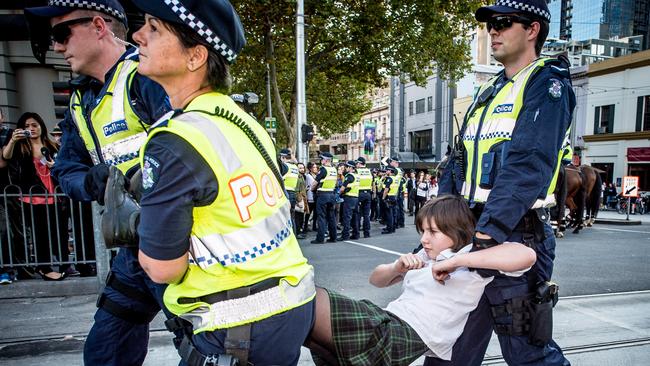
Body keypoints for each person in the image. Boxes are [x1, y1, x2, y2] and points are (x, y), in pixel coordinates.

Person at [130, 1, 316, 364]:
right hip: (287, 309)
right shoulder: (244, 123)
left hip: (237, 326)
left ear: (195, 56)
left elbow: (162, 268)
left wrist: (138, 226)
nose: (137, 35)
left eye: (154, 28)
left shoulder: (175, 138)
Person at [25, 1, 176, 364]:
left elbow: (185, 146)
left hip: (176, 243)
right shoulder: (81, 100)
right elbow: (65, 170)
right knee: (105, 351)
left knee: (205, 347)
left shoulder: (146, 75)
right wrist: (91, 183)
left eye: (62, 34)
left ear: (98, 26)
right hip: (132, 250)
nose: (58, 46)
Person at [433, 1, 574, 365]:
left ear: (532, 30)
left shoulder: (547, 83)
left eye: (503, 22)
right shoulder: (489, 91)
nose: (492, 30)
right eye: (490, 24)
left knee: (529, 354)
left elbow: (528, 164)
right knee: (448, 348)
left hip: (514, 234)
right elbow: (457, 161)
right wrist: (440, 225)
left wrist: (486, 235)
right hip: (470, 232)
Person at [306, 195, 536, 365]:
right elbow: (376, 280)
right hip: (388, 320)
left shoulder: (471, 258)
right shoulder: (424, 254)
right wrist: (397, 266)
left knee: (310, 302)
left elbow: (526, 255)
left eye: (433, 232)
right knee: (314, 333)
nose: (424, 239)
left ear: (456, 230)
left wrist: (455, 262)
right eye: (422, 231)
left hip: (411, 332)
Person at [0, 112, 68, 281]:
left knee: (58, 231)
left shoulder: (51, 145)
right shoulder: (21, 146)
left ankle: (64, 264)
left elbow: (63, 163)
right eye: (27, 126)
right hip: (32, 195)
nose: (31, 129)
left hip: (54, 193)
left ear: (41, 126)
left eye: (34, 125)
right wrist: (14, 140)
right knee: (39, 233)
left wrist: (56, 165)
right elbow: (5, 157)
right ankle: (44, 267)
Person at [311, 152, 338, 244]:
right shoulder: (334, 169)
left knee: (321, 217)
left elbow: (315, 182)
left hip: (323, 195)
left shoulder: (323, 169)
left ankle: (320, 238)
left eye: (322, 159)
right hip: (332, 195)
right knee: (331, 217)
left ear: (326, 160)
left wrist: (311, 189)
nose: (321, 161)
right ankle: (333, 237)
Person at [280, 148, 300, 235]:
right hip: (292, 194)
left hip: (285, 194)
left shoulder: (285, 166)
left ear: (283, 157)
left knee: (283, 218)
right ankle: (294, 237)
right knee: (291, 217)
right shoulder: (295, 167)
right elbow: (295, 161)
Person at [338, 160, 359, 240]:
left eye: (347, 167)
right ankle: (356, 234)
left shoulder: (349, 176)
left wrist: (338, 194)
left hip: (349, 198)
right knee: (355, 217)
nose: (346, 168)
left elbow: (342, 188)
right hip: (356, 198)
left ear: (350, 167)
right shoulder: (357, 176)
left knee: (347, 217)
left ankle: (345, 235)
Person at [355, 157, 372, 238]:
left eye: (357, 163)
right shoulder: (369, 171)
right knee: (366, 215)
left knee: (357, 214)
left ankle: (357, 233)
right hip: (368, 194)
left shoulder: (357, 171)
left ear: (359, 163)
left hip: (359, 194)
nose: (356, 165)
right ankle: (367, 233)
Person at [381, 166, 398, 234]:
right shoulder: (395, 178)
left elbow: (386, 190)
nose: (386, 171)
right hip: (394, 196)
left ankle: (389, 229)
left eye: (387, 170)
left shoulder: (389, 179)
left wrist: (383, 198)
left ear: (390, 171)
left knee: (389, 214)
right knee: (393, 213)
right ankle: (393, 228)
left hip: (389, 197)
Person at [390, 157, 406, 228]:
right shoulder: (399, 170)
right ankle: (401, 222)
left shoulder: (395, 170)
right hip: (399, 190)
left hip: (396, 190)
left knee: (396, 208)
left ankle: (396, 223)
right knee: (400, 207)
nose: (390, 163)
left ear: (395, 162)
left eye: (391, 161)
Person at [294, 162, 309, 239]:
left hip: (303, 198)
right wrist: (298, 201)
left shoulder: (302, 176)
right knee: (297, 216)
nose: (302, 169)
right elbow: (296, 189)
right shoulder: (297, 177)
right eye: (300, 168)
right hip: (299, 198)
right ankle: (297, 233)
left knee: (300, 217)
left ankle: (299, 232)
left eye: (303, 168)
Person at [304, 161, 318, 233]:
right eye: (314, 167)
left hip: (316, 196)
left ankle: (314, 226)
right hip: (310, 196)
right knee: (308, 213)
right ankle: (305, 227)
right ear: (310, 168)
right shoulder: (308, 176)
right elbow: (311, 185)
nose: (315, 168)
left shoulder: (316, 175)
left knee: (316, 213)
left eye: (316, 167)